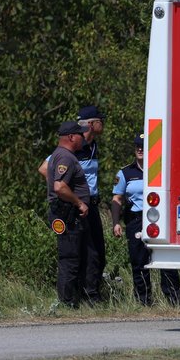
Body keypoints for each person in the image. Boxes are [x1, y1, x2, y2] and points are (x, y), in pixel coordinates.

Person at [39, 105, 107, 303]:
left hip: (90, 204)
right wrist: (66, 192)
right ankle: (85, 296)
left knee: (96, 252)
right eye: (100, 120)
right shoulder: (74, 148)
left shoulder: (93, 146)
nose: (103, 124)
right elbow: (45, 168)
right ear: (92, 124)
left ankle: (88, 294)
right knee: (82, 253)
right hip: (76, 205)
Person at [111, 132, 180, 306]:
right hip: (136, 219)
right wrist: (116, 222)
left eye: (143, 146)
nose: (140, 149)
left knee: (166, 259)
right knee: (139, 261)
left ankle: (174, 301)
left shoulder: (161, 169)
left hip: (161, 218)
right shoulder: (125, 173)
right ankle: (143, 301)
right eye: (137, 146)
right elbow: (116, 199)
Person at [46, 121, 91, 308]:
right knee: (70, 259)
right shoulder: (66, 157)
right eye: (80, 134)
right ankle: (67, 302)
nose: (83, 138)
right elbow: (60, 187)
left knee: (72, 257)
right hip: (68, 214)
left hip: (65, 213)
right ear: (71, 137)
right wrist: (79, 202)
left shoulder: (58, 155)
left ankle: (71, 300)